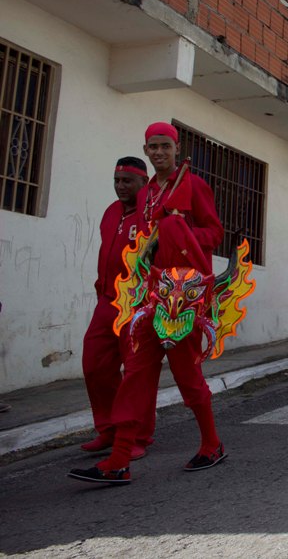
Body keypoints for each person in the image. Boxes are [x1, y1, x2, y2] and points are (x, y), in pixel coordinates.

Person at [69, 122, 227, 485]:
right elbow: (143, 241)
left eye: (164, 146)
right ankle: (120, 459)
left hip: (183, 295)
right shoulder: (145, 195)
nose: (158, 152)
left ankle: (212, 444)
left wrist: (178, 230)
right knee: (137, 373)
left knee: (188, 375)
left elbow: (214, 233)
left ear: (176, 147)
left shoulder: (194, 185)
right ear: (146, 150)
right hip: (150, 293)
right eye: (152, 147)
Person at [80, 157, 155, 460]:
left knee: (137, 373)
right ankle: (108, 428)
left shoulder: (153, 215)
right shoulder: (111, 212)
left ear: (143, 182)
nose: (120, 187)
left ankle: (136, 435)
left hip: (138, 306)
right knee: (94, 364)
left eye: (127, 181)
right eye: (117, 180)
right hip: (107, 301)